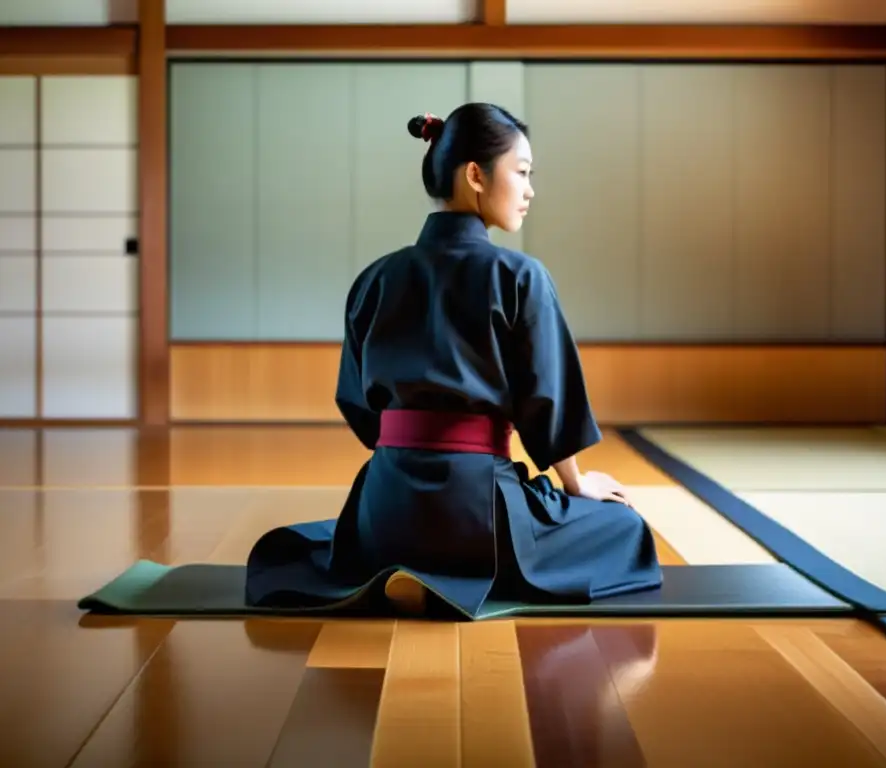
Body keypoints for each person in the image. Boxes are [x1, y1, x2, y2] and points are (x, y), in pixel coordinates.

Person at [244, 103, 663, 618]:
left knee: (307, 548)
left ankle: (405, 557)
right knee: (624, 529)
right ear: (475, 175)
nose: (530, 190)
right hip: (478, 518)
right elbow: (547, 401)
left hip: (386, 511)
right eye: (523, 172)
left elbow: (357, 405)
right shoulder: (520, 276)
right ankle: (464, 567)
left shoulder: (375, 278)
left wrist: (411, 460)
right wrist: (578, 485)